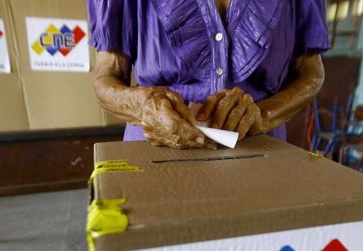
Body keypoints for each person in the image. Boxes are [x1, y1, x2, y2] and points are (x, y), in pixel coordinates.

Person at [88, 0, 330, 149]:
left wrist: (263, 116)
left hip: (262, 152)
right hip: (155, 148)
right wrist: (144, 107)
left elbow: (311, 73)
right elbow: (105, 78)